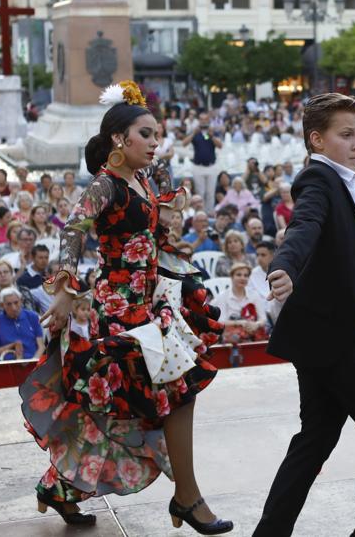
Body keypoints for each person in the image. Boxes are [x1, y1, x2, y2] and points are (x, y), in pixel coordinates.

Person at [20, 83, 230, 531]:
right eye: (147, 134)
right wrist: (64, 289)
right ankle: (187, 499)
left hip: (147, 306)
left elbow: (149, 232)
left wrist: (171, 240)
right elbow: (73, 230)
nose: (156, 143)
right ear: (120, 138)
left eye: (157, 135)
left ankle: (60, 488)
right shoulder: (105, 184)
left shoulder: (144, 180)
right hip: (119, 311)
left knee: (120, 412)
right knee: (170, 395)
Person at [254, 93, 355, 537]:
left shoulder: (350, 179)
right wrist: (284, 265)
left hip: (320, 332)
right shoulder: (317, 181)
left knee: (315, 439)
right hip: (336, 335)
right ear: (316, 140)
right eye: (346, 135)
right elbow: (305, 225)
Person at [0, 287, 44, 360]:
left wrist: (34, 362)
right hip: (7, 365)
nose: (13, 308)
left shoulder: (32, 317)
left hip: (32, 361)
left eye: (16, 302)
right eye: (9, 304)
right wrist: (11, 345)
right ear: (2, 305)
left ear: (21, 301)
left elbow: (41, 347)